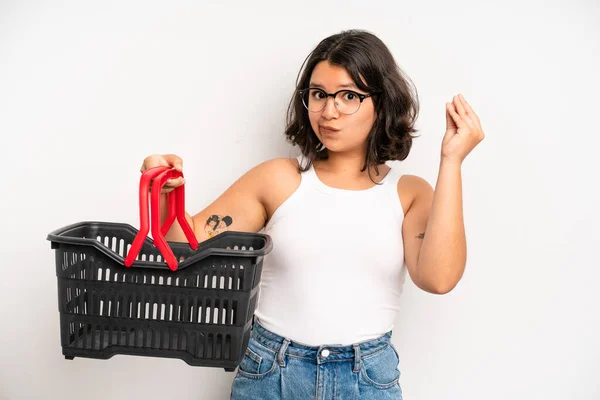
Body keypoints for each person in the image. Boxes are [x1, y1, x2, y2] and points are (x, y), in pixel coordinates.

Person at [140, 29, 484, 400]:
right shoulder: (278, 179)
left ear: (381, 103)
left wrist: (451, 161)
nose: (328, 111)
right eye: (318, 94)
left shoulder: (409, 194)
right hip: (272, 374)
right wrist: (161, 189)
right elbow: (180, 250)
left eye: (348, 96)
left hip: (367, 379)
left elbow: (439, 278)